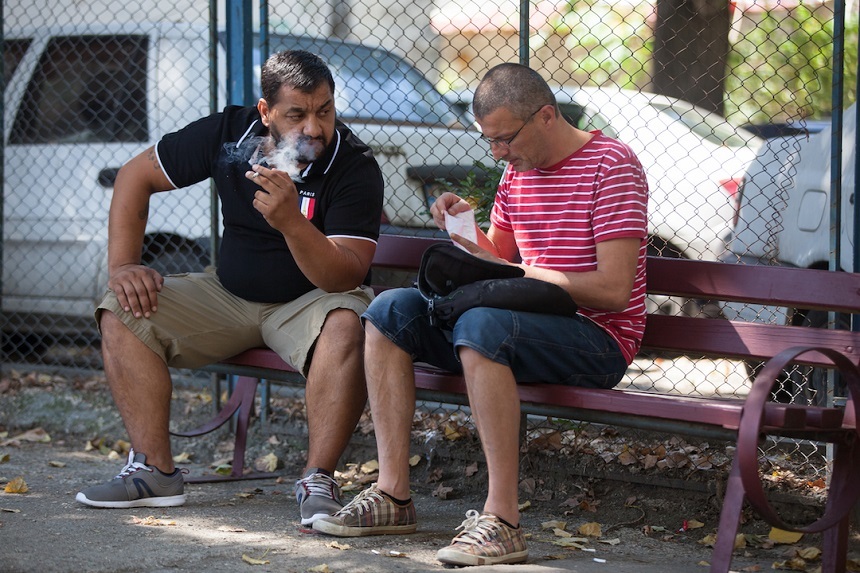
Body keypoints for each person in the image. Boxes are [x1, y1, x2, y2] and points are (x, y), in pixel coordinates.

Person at [312, 63, 649, 566]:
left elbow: (614, 290)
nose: (498, 154)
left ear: (547, 117)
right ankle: (393, 494)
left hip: (596, 337)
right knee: (388, 310)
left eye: (505, 139)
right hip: (517, 322)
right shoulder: (519, 172)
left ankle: (503, 521)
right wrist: (464, 228)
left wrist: (526, 273)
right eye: (489, 141)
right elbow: (498, 266)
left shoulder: (611, 164)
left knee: (479, 325)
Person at [75, 50, 384, 526]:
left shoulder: (354, 164)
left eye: (324, 110)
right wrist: (123, 265)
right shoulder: (229, 135)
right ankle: (154, 472)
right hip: (229, 296)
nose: (315, 128)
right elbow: (135, 177)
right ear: (266, 112)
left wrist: (290, 224)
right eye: (297, 115)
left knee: (347, 323)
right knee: (121, 308)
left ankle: (318, 478)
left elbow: (344, 276)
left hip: (311, 302)